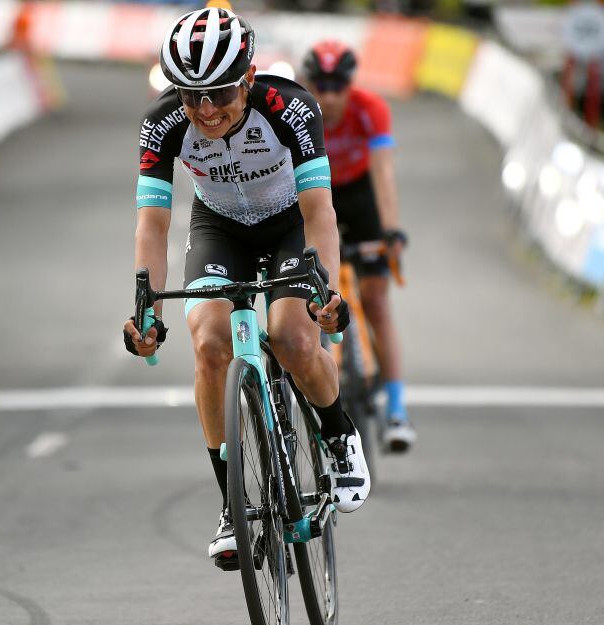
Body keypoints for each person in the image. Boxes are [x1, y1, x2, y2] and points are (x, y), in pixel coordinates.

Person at [122, 7, 370, 568]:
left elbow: (321, 213)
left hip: (290, 224)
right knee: (209, 343)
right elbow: (153, 222)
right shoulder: (162, 123)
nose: (205, 110)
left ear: (249, 79)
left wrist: (324, 292)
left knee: (293, 337)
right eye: (190, 96)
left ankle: (337, 432)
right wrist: (146, 306)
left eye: (220, 93)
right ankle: (232, 505)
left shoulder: (291, 108)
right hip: (219, 227)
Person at [301, 40, 417, 451]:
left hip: (360, 196)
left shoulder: (371, 109)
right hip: (316, 197)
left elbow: (384, 173)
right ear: (308, 82)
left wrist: (390, 231)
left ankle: (397, 409)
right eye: (321, 86)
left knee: (376, 300)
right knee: (312, 299)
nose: (329, 97)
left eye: (338, 86)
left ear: (351, 85)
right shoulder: (298, 109)